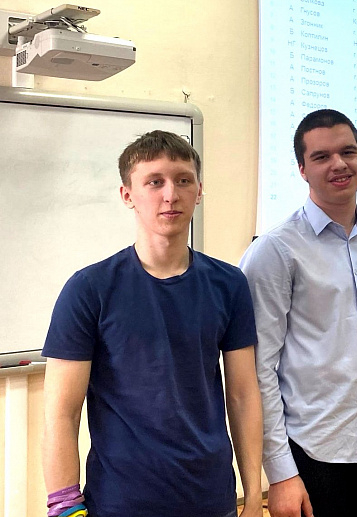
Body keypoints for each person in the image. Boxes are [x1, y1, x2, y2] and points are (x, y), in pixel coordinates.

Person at [42, 131, 263, 517]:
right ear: (127, 195)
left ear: (199, 191)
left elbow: (243, 396)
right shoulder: (89, 289)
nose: (170, 194)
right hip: (120, 502)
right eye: (154, 182)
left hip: (212, 499)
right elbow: (62, 412)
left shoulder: (229, 284)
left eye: (183, 180)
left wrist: (254, 495)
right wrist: (65, 508)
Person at [239, 109, 357, 517]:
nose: (339, 164)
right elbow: (258, 369)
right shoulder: (276, 250)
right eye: (321, 157)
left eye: (348, 152)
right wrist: (280, 472)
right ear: (302, 170)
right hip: (312, 449)